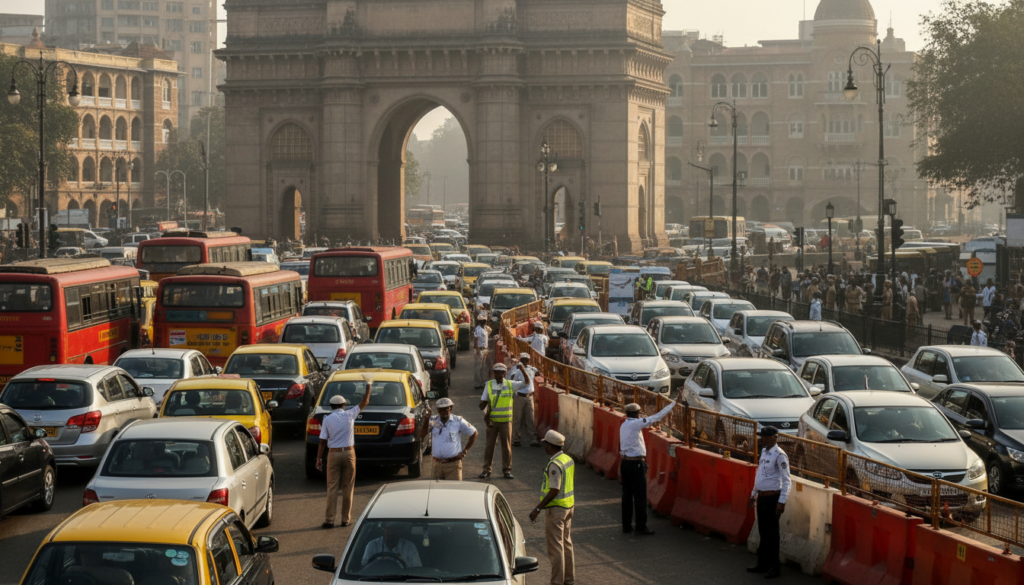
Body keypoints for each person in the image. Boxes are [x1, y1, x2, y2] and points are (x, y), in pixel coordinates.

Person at [316, 374, 374, 528]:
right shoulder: (350, 415)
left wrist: (319, 459)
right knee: (348, 487)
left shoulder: (327, 419)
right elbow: (365, 401)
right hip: (349, 452)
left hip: (333, 454)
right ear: (343, 404)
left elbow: (322, 441)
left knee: (332, 487)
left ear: (331, 405)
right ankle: (345, 519)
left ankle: (329, 520)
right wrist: (368, 384)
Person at [619, 401, 675, 535]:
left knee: (627, 496)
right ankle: (641, 527)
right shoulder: (635, 424)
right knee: (640, 496)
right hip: (635, 464)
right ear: (637, 414)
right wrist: (673, 404)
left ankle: (626, 526)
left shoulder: (624, 425)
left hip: (625, 463)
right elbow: (656, 417)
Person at [529, 430, 575, 585]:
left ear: (551, 446)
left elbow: (554, 489)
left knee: (556, 550)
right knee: (567, 545)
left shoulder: (554, 465)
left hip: (556, 510)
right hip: (569, 507)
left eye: (545, 444)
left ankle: (556, 582)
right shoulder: (568, 459)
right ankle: (569, 579)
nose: (544, 447)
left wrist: (538, 508)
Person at [747, 426, 791, 580]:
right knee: (763, 532)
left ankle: (774, 567)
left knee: (772, 534)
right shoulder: (764, 452)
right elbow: (759, 474)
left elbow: (787, 481)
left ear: (774, 437)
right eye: (762, 436)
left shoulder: (780, 455)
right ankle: (762, 563)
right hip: (762, 497)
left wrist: (781, 502)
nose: (762, 439)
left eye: (765, 436)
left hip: (773, 498)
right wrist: (753, 494)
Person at [478, 363, 531, 479]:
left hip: (506, 421)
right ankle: (486, 470)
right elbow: (483, 402)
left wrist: (522, 369)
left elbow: (526, 383)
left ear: (505, 374)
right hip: (492, 422)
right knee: (489, 447)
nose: (499, 375)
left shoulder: (510, 384)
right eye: (497, 372)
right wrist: (484, 406)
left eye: (502, 373)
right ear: (494, 373)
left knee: (506, 447)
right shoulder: (489, 385)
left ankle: (507, 470)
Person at [430, 397, 477, 480]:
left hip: (453, 466)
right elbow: (422, 434)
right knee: (436, 491)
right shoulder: (432, 420)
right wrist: (426, 419)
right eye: (443, 409)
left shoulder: (458, 421)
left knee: (454, 491)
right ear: (438, 410)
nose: (446, 411)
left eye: (447, 409)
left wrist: (465, 450)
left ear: (451, 409)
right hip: (437, 465)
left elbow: (474, 433)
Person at [508, 353, 540, 447]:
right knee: (518, 418)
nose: (523, 361)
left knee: (530, 418)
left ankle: (533, 439)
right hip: (519, 396)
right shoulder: (516, 369)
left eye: (525, 359)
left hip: (529, 396)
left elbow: (538, 373)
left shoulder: (531, 369)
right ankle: (516, 439)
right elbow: (513, 379)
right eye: (522, 359)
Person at [473, 313, 492, 389]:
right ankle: (477, 383)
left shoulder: (485, 328)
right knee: (478, 367)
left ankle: (483, 383)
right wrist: (477, 349)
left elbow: (490, 331)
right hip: (479, 349)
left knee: (483, 367)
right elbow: (475, 339)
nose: (484, 322)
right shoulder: (478, 329)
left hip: (485, 349)